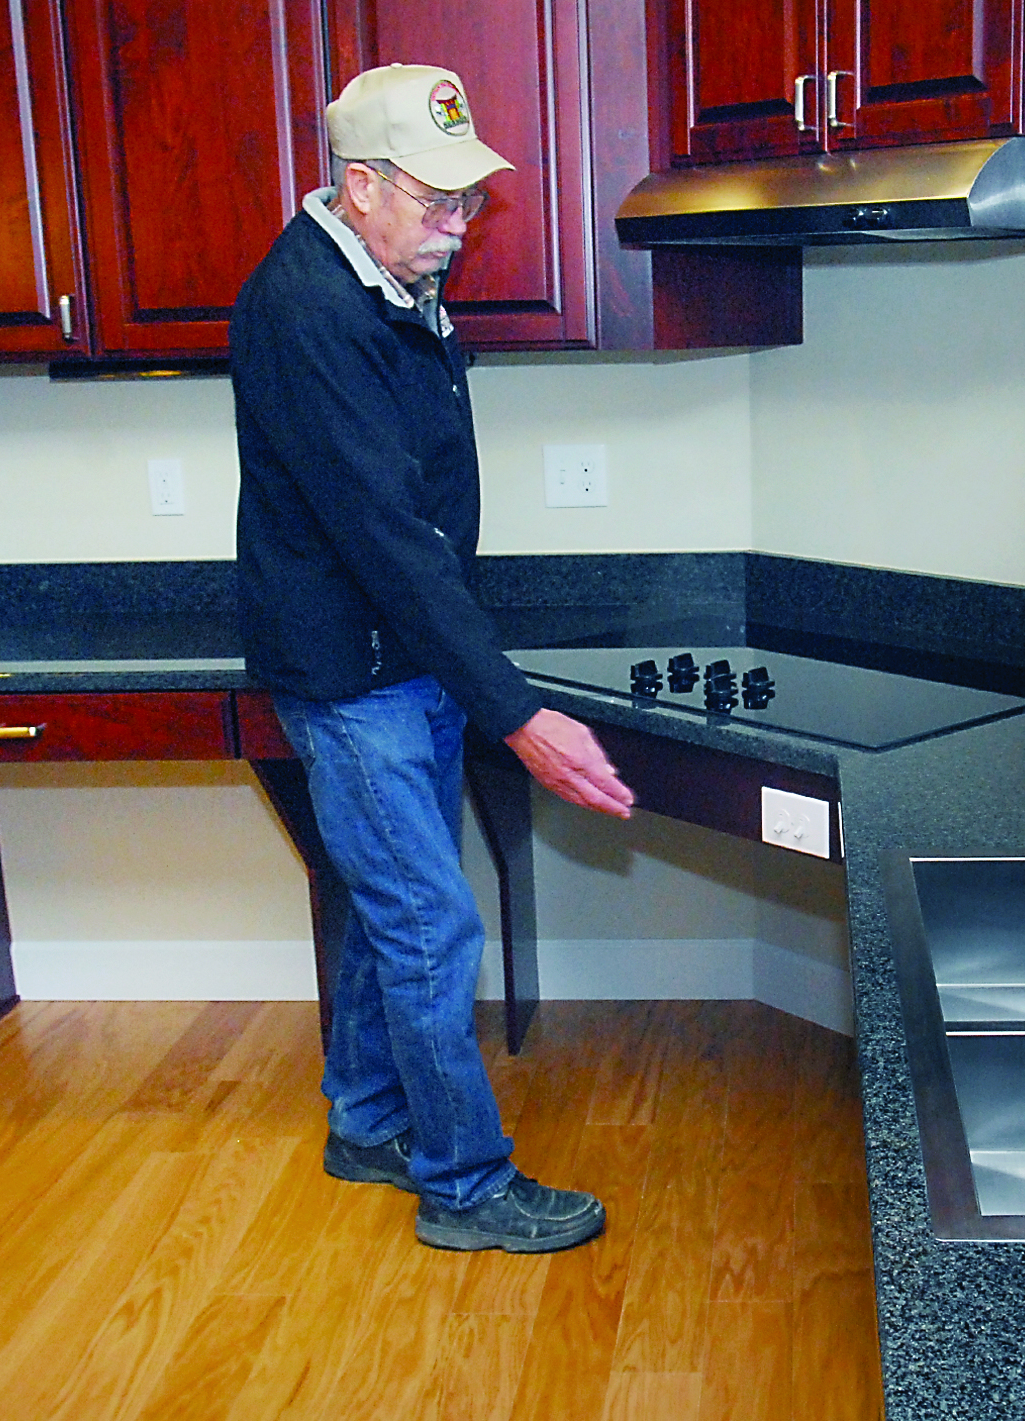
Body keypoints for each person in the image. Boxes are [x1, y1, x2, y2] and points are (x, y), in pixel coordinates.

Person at [230, 62, 635, 1254]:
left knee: (388, 905)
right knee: (428, 926)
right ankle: (464, 1185)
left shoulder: (390, 274)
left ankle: (366, 1121)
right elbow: (385, 536)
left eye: (468, 200)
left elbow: (417, 512)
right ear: (359, 185)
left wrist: (471, 680)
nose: (458, 226)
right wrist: (515, 710)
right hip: (351, 673)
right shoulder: (309, 310)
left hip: (403, 655)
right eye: (436, 200)